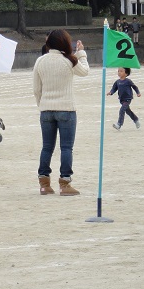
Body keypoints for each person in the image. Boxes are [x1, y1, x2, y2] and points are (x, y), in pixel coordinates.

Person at [32, 29, 89, 196]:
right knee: (66, 148)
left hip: (46, 109)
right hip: (66, 108)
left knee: (47, 147)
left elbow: (36, 89)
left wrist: (41, 104)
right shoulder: (68, 60)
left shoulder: (40, 61)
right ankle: (65, 183)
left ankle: (44, 183)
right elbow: (85, 71)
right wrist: (81, 53)